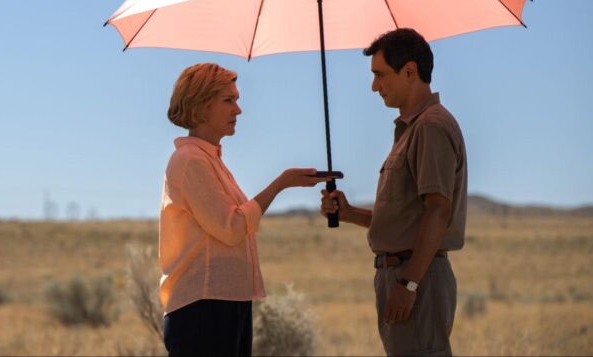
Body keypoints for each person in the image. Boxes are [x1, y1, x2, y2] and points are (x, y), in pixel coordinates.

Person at [160, 62, 330, 357]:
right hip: (204, 308)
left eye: (236, 100)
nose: (238, 110)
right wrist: (281, 183)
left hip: (224, 304)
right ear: (201, 105)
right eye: (229, 100)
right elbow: (233, 227)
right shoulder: (191, 161)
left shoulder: (210, 161)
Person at [321, 28, 467, 357]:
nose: (374, 86)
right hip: (403, 276)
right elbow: (407, 218)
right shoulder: (412, 129)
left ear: (410, 71)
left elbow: (438, 211)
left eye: (380, 75)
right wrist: (348, 213)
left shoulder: (430, 126)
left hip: (415, 277)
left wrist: (409, 284)